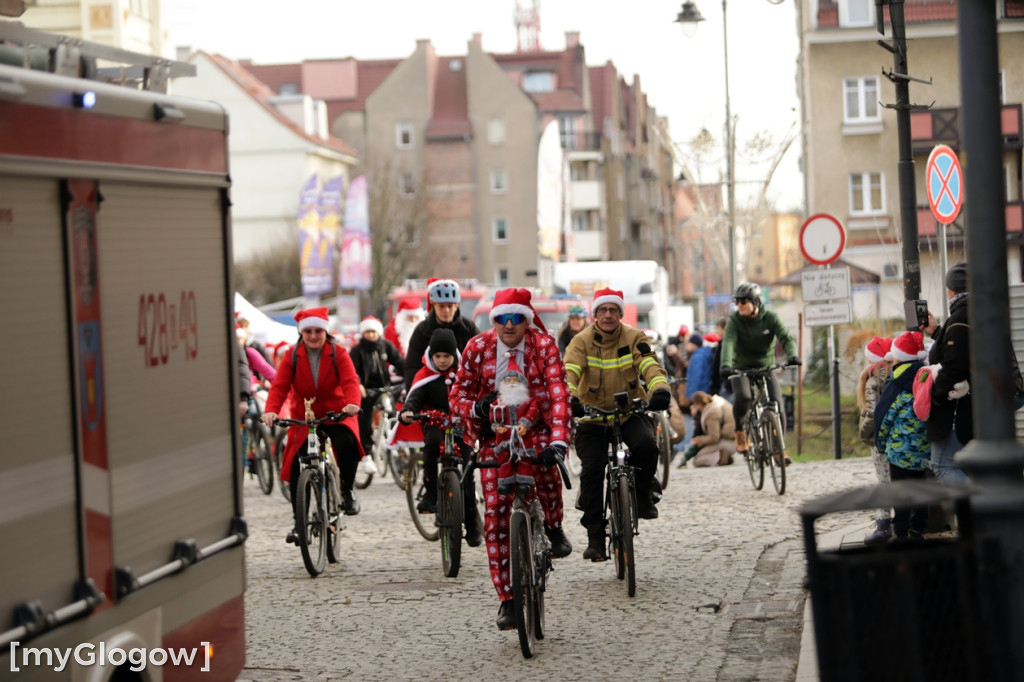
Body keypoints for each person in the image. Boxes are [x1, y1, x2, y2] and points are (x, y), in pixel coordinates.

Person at [449, 287, 573, 630]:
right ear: (494, 321)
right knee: (496, 516)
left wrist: (559, 443)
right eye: (502, 319)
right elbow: (457, 394)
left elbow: (559, 394)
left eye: (516, 318)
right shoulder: (478, 347)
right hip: (495, 436)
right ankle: (508, 599)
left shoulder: (543, 346)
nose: (509, 325)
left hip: (537, 428)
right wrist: (475, 407)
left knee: (548, 477)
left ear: (526, 320)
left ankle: (553, 525)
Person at [564, 287, 672, 562]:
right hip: (593, 416)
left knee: (647, 445)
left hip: (629, 411)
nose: (608, 315)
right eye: (603, 310)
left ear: (621, 313)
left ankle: (644, 495)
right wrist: (571, 398)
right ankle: (596, 539)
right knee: (591, 471)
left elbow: (650, 364)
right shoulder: (580, 341)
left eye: (613, 310)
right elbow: (569, 372)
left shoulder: (635, 337)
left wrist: (659, 390)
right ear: (595, 314)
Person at [261, 307, 364, 543]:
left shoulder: (338, 353)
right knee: (297, 464)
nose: (314, 335)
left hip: (337, 412)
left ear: (325, 331)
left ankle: (347, 490)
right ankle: (299, 524)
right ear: (302, 332)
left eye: (318, 330)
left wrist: (351, 403)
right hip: (304, 416)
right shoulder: (291, 355)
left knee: (347, 443)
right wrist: (271, 410)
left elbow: (350, 381)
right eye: (308, 331)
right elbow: (280, 386)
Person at [398, 328, 482, 547]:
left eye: (447, 356)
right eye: (438, 356)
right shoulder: (425, 375)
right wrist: (408, 410)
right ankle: (431, 493)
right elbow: (415, 397)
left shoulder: (464, 375)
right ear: (431, 356)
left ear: (455, 355)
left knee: (466, 471)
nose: (442, 360)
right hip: (434, 423)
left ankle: (472, 523)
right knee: (432, 444)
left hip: (459, 425)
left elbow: (475, 393)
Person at [719, 282, 800, 461]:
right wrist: (725, 364)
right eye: (737, 301)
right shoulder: (734, 320)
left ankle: (780, 449)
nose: (739, 305)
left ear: (755, 302)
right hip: (741, 367)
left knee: (777, 403)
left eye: (743, 301)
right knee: (744, 398)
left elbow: (785, 337)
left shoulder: (770, 317)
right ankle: (740, 431)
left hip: (765, 366)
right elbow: (729, 341)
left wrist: (793, 355)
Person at [874, 331, 931, 541]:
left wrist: (880, 444)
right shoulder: (926, 380)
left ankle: (901, 532)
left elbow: (884, 417)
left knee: (900, 492)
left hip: (899, 452)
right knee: (921, 489)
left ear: (899, 356)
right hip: (923, 450)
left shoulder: (896, 384)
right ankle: (918, 529)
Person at [919, 261, 971, 485]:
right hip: (973, 405)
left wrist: (935, 395)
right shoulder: (976, 310)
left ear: (951, 289)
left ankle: (980, 507)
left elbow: (954, 364)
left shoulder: (960, 316)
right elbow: (961, 350)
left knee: (942, 465)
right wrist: (937, 331)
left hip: (957, 407)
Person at [350, 315, 405, 474]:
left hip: (384, 387)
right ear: (363, 333)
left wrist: (409, 376)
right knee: (364, 419)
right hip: (366, 390)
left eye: (374, 332)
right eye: (368, 332)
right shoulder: (357, 350)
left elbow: (399, 361)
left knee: (394, 414)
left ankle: (398, 446)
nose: (371, 335)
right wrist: (359, 384)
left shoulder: (385, 345)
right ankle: (366, 454)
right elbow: (352, 370)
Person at [404, 278, 480, 390]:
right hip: (430, 392)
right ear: (433, 305)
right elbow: (412, 367)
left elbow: (481, 359)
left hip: (464, 389)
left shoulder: (468, 328)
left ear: (457, 305)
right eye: (441, 306)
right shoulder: (422, 331)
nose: (446, 310)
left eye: (450, 306)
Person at [857, 336, 894, 544]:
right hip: (897, 438)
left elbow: (871, 413)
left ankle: (883, 524)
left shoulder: (873, 379)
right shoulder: (893, 375)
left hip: (879, 441)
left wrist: (864, 433)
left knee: (884, 481)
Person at [678, 391, 736, 467]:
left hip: (729, 442)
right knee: (701, 452)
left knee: (697, 460)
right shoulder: (716, 401)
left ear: (698, 404)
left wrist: (699, 440)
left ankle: (721, 457)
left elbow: (714, 437)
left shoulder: (711, 413)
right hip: (732, 439)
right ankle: (723, 456)